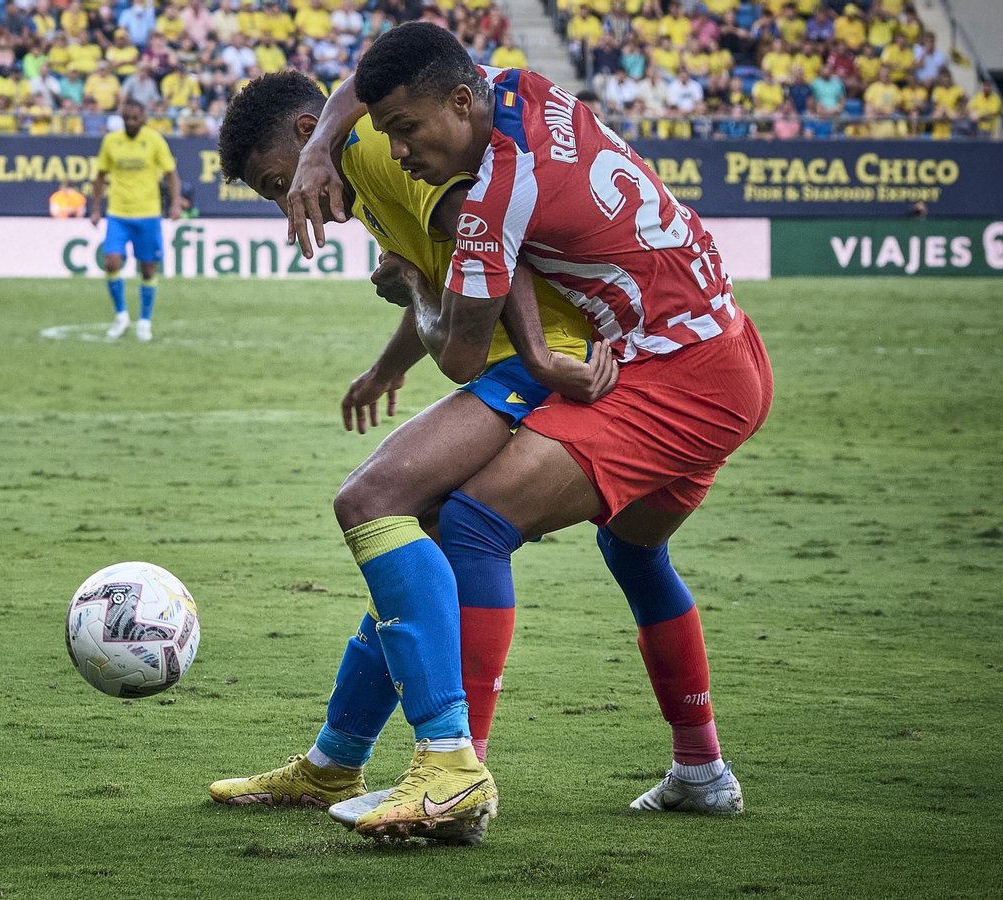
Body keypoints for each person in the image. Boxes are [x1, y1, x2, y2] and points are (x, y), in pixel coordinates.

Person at [284, 23, 771, 839]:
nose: (397, 150)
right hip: (722, 345)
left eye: (406, 130)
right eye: (386, 130)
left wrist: (414, 287)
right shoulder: (516, 90)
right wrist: (320, 145)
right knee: (632, 547)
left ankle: (454, 779)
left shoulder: (492, 195)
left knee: (469, 521)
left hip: (676, 372)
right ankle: (701, 768)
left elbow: (464, 356)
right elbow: (365, 83)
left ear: (460, 101)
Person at [208, 72, 606, 844]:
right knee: (401, 541)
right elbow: (440, 272)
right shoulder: (359, 163)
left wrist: (432, 313)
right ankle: (333, 763)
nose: (286, 201)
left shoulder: (375, 152)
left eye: (275, 184)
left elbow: (483, 241)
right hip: (513, 359)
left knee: (369, 502)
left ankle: (450, 761)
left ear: (303, 130)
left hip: (539, 360)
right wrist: (394, 361)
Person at [89, 100, 182, 341]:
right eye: (126, 118)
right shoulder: (111, 141)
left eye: (135, 118)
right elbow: (100, 176)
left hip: (148, 214)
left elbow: (172, 174)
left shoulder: (154, 140)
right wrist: (95, 209)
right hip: (118, 213)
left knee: (148, 268)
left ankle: (144, 321)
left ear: (143, 118)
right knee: (111, 262)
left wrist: (174, 203)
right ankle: (121, 316)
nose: (131, 122)